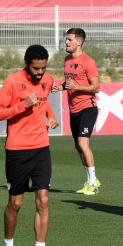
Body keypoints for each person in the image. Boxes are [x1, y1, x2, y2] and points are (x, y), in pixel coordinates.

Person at [0, 45, 59, 246]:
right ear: (26, 63)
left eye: (43, 68)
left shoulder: (47, 80)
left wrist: (50, 116)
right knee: (16, 204)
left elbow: (45, 98)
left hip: (41, 148)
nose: (40, 73)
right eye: (36, 68)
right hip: (17, 150)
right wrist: (22, 105)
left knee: (43, 201)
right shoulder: (12, 82)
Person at [51, 28, 101, 195]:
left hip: (88, 107)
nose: (66, 42)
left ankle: (94, 184)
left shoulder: (88, 62)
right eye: (66, 39)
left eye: (69, 40)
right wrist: (60, 87)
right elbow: (70, 82)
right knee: (78, 147)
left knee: (82, 143)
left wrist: (76, 86)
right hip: (73, 110)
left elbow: (96, 87)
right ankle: (89, 181)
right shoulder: (67, 60)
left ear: (79, 42)